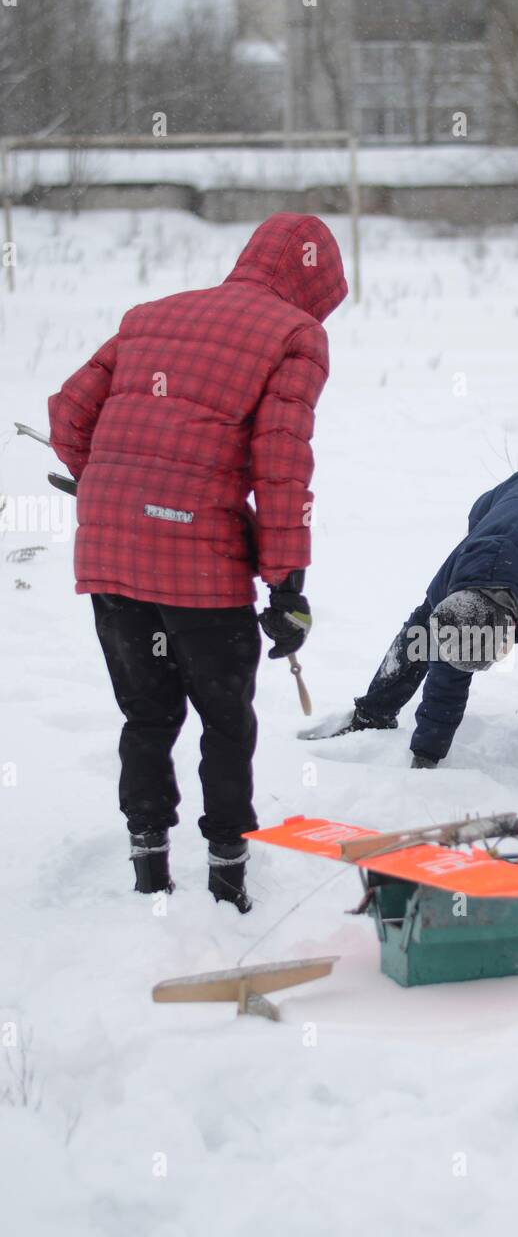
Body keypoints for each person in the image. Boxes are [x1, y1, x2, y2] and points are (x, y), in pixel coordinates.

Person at [48, 213, 348, 912]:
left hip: (109, 549)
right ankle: (226, 881)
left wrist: (108, 480)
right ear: (316, 283)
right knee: (225, 720)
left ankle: (149, 872)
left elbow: (68, 415)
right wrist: (286, 584)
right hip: (198, 564)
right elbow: (280, 463)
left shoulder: (151, 314)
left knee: (146, 716)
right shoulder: (296, 335)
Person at [304, 466, 518, 766]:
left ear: (511, 628)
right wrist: (426, 756)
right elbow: (445, 680)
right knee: (419, 634)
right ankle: (373, 713)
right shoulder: (448, 591)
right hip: (505, 498)